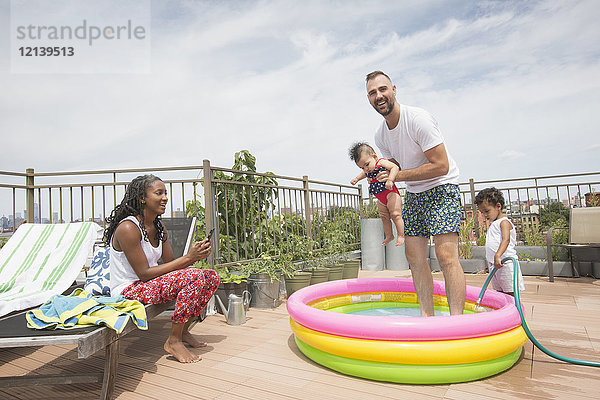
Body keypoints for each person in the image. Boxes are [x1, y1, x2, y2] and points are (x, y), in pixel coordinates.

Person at [365, 70, 465, 316]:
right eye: (372, 93)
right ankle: (426, 318)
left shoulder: (418, 119)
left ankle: (458, 324)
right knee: (415, 258)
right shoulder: (381, 135)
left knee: (445, 256)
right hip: (414, 193)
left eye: (383, 89)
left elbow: (441, 165)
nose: (379, 96)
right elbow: (396, 167)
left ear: (394, 90)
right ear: (368, 99)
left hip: (443, 187)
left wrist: (399, 175)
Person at [103, 174, 219, 363]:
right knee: (195, 277)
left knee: (211, 276)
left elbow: (171, 264)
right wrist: (189, 258)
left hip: (149, 285)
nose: (165, 197)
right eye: (159, 193)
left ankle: (183, 332)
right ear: (142, 198)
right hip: (129, 290)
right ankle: (173, 341)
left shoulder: (158, 227)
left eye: (165, 193)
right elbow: (144, 274)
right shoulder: (128, 228)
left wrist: (194, 256)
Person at [349, 142, 405, 246]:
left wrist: (390, 180)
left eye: (366, 164)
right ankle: (389, 235)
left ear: (374, 157)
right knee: (384, 217)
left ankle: (401, 235)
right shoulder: (368, 171)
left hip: (391, 193)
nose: (366, 169)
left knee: (396, 215)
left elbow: (395, 168)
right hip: (380, 198)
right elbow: (363, 174)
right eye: (362, 167)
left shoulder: (381, 162)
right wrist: (356, 179)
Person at [474, 187, 525, 296]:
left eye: (487, 211)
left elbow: (505, 240)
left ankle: (515, 311)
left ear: (498, 206)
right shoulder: (494, 224)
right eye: (482, 213)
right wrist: (491, 260)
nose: (485, 215)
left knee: (511, 293)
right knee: (500, 293)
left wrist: (498, 255)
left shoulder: (504, 222)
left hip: (505, 264)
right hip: (496, 264)